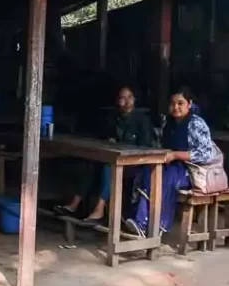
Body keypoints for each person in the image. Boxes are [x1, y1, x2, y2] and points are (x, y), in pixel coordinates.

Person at [125, 87, 216, 237]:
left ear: (189, 103)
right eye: (172, 103)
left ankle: (157, 226)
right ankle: (141, 221)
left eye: (180, 103)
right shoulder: (168, 122)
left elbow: (206, 154)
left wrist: (176, 155)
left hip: (191, 171)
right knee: (148, 172)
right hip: (170, 165)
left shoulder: (196, 123)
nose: (176, 107)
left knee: (168, 178)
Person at [56, 86, 154, 225]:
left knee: (109, 166)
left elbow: (146, 147)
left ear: (134, 100)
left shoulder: (142, 120)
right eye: (122, 98)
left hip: (134, 164)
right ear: (117, 101)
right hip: (114, 158)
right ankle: (74, 204)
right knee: (91, 163)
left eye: (129, 98)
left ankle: (99, 209)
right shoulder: (113, 118)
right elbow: (106, 137)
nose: (126, 102)